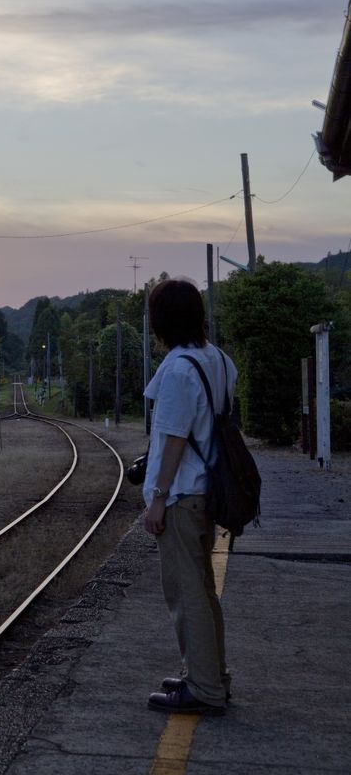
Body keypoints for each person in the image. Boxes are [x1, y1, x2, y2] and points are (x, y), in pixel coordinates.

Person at [143, 279, 236, 715]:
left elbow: (175, 439)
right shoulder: (217, 358)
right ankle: (209, 674)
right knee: (202, 589)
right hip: (207, 491)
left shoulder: (179, 370)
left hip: (183, 495)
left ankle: (204, 688)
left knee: (186, 592)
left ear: (162, 320)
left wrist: (157, 498)